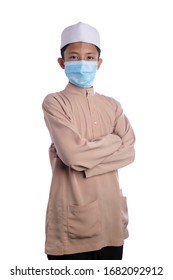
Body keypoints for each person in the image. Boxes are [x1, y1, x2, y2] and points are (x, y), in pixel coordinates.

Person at [42, 22, 135, 260]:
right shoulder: (55, 103)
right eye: (74, 56)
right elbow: (72, 156)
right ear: (62, 63)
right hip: (73, 228)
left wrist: (85, 162)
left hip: (112, 220)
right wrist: (114, 141)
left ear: (99, 63)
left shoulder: (112, 105)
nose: (82, 63)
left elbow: (130, 152)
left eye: (89, 57)